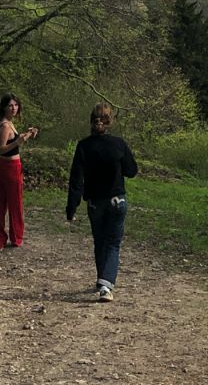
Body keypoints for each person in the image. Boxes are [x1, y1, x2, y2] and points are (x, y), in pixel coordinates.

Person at [66, 102, 138, 302]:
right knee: (113, 243)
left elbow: (76, 179)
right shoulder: (119, 144)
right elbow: (132, 171)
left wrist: (71, 207)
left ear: (92, 121)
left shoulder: (84, 146)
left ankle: (102, 279)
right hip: (117, 200)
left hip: (95, 203)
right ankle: (106, 285)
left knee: (100, 241)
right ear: (110, 122)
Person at [0, 93, 38, 250]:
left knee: (3, 203)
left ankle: (3, 239)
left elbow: (14, 141)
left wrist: (27, 135)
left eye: (16, 105)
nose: (14, 108)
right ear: (4, 107)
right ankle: (13, 238)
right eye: (10, 105)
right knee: (12, 204)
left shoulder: (9, 123)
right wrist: (18, 141)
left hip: (9, 167)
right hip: (9, 168)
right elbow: (2, 148)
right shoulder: (5, 125)